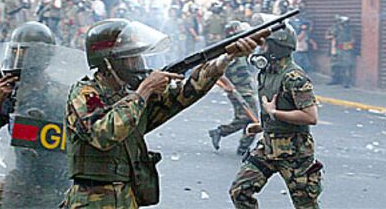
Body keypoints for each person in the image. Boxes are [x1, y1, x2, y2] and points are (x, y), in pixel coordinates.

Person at [61, 18, 259, 208]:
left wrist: (225, 58)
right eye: (130, 57)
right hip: (92, 201)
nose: (137, 62)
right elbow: (103, 134)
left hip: (125, 197)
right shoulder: (86, 94)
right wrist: (144, 91)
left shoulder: (129, 93)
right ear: (108, 63)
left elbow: (184, 92)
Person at [229, 20, 323, 209]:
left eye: (264, 43)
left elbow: (310, 116)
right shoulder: (267, 73)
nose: (259, 47)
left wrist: (274, 112)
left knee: (305, 205)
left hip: (295, 152)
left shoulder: (294, 77)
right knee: (240, 191)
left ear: (276, 47)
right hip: (269, 147)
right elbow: (280, 108)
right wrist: (263, 125)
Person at [0, 22, 70, 209]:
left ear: (41, 56)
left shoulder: (60, 94)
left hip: (51, 182)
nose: (17, 57)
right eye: (15, 51)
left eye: (24, 52)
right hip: (21, 176)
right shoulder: (12, 91)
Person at [208, 21, 259, 155]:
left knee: (247, 119)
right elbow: (216, 71)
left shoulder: (242, 50)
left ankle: (228, 137)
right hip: (238, 90)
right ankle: (241, 147)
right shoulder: (227, 51)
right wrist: (228, 86)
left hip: (247, 89)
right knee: (252, 120)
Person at [325, 15, 355, 88]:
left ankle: (346, 82)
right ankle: (335, 79)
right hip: (335, 49)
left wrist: (347, 45)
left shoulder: (349, 30)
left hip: (345, 50)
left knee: (346, 66)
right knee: (334, 65)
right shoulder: (333, 28)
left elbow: (353, 40)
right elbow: (327, 36)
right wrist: (332, 37)